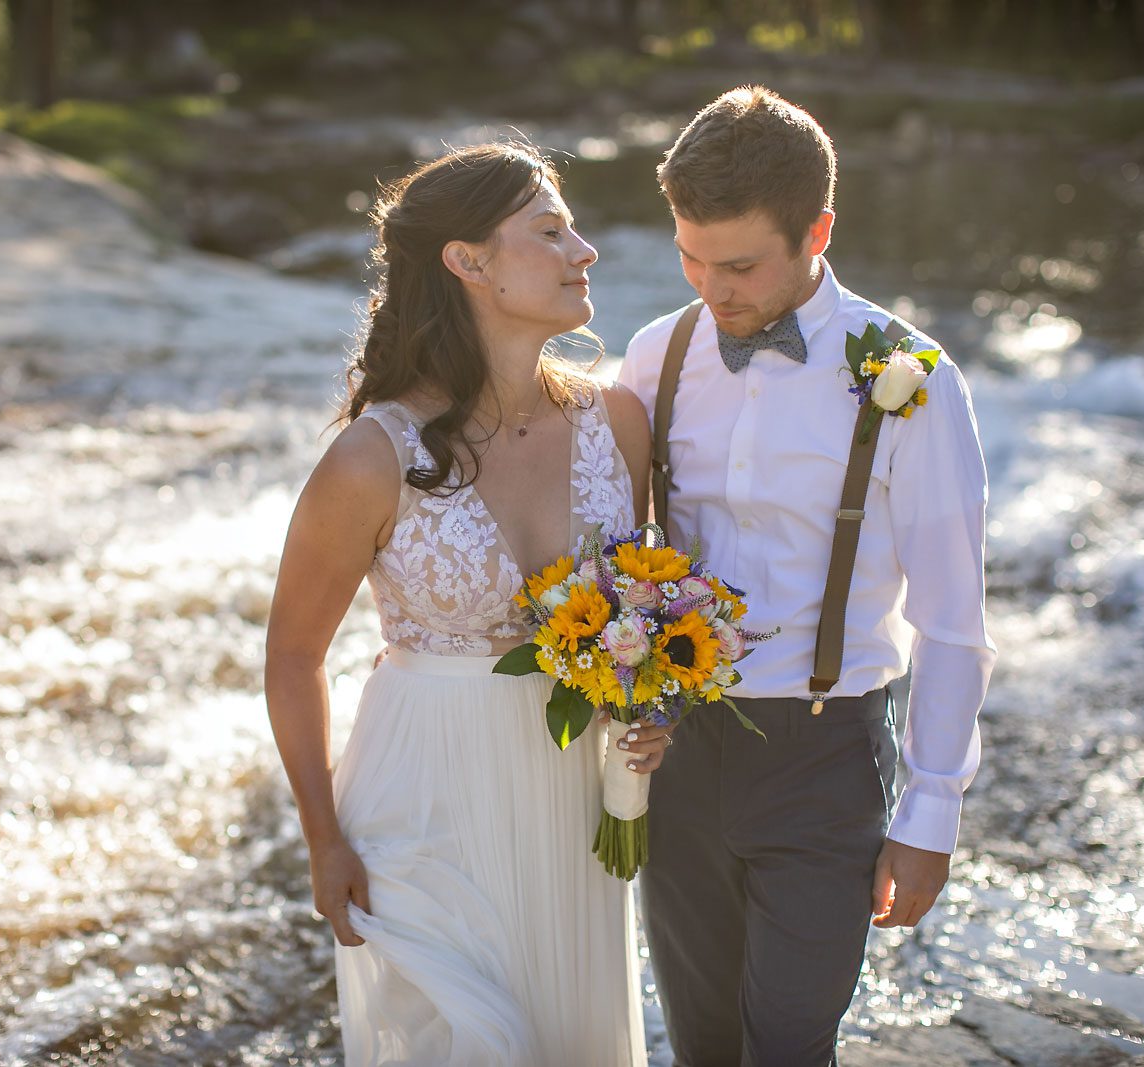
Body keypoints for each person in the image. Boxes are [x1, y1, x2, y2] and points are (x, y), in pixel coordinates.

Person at [617, 86, 996, 1066]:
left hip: (823, 760)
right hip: (682, 754)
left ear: (817, 228)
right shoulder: (657, 355)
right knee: (702, 1046)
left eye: (738, 265)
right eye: (689, 256)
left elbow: (952, 617)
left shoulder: (911, 378)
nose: (711, 289)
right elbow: (612, 543)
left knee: (787, 1043)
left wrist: (931, 811)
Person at [265, 141, 664, 1066]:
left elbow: (640, 615)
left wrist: (650, 719)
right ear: (467, 260)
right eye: (552, 230)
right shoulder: (372, 457)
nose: (586, 251)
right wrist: (323, 839)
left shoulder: (620, 424)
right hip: (421, 810)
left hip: (574, 807)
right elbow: (292, 657)